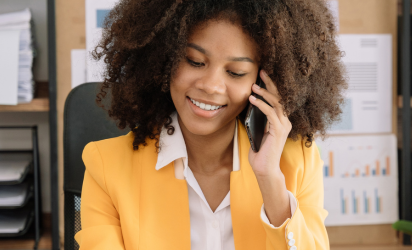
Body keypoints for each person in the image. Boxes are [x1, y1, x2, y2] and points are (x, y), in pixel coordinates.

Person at [75, 0, 346, 249]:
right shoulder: (106, 168)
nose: (211, 86)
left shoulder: (297, 162)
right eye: (195, 61)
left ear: (266, 84)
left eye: (235, 72)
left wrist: (270, 180)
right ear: (163, 58)